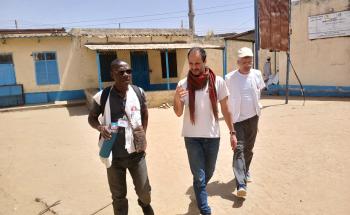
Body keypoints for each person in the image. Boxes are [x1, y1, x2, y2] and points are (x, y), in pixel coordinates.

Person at [173, 47, 237, 215]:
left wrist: (232, 132)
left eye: (197, 63)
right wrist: (176, 98)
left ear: (205, 61)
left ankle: (198, 190)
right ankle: (204, 209)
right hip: (192, 137)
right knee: (200, 176)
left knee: (208, 172)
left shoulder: (218, 82)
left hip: (212, 136)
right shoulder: (183, 84)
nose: (194, 67)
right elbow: (178, 112)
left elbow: (225, 108)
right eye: (191, 63)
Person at [88, 59, 154, 215]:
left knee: (144, 191)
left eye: (128, 71)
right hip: (113, 156)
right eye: (121, 72)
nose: (126, 75)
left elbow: (145, 114)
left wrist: (142, 134)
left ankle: (144, 204)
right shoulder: (102, 96)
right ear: (112, 74)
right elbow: (91, 117)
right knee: (118, 197)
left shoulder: (138, 92)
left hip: (136, 155)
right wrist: (100, 127)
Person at [225, 47, 265, 197]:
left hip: (254, 117)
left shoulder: (257, 74)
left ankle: (246, 170)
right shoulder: (230, 78)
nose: (248, 64)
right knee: (239, 149)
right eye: (244, 62)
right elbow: (225, 99)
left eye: (250, 61)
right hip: (238, 120)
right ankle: (241, 184)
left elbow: (258, 90)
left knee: (249, 148)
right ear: (238, 62)